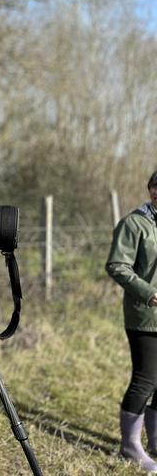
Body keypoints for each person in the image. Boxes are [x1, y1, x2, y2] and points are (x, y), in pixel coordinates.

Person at [106, 170, 157, 473]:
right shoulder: (134, 223)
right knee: (146, 379)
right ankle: (130, 447)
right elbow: (117, 265)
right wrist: (149, 293)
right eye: (155, 188)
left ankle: (156, 441)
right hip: (146, 316)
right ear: (151, 190)